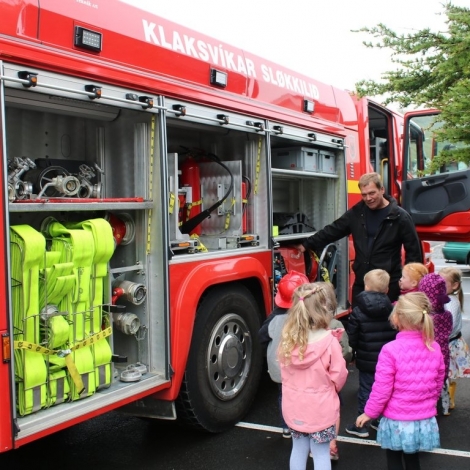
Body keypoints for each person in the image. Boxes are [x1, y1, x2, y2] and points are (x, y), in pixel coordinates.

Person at [296, 172, 422, 307]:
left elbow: (414, 252)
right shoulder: (357, 212)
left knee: (387, 325)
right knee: (358, 322)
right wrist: (307, 244)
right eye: (364, 194)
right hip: (362, 284)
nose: (368, 198)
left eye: (372, 193)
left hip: (387, 285)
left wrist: (410, 284)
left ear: (382, 190)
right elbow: (333, 230)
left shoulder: (399, 217)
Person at [356, 292, 445, 470]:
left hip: (397, 418)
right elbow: (438, 381)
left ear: (397, 318)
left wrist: (369, 413)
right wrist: (430, 402)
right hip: (423, 419)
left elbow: (382, 389)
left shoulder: (390, 350)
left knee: (394, 459)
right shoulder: (434, 346)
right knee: (413, 461)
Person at [279, 282, 348, 470]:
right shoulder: (329, 342)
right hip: (321, 409)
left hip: (294, 406)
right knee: (320, 453)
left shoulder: (288, 340)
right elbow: (339, 375)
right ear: (323, 308)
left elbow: (283, 371)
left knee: (298, 449)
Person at [345, 269, 396, 438]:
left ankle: (362, 424)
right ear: (387, 289)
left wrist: (351, 356)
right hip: (388, 359)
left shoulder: (358, 311)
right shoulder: (393, 309)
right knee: (385, 389)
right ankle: (379, 419)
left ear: (366, 286)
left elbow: (352, 337)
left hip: (367, 359)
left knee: (366, 390)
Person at [258, 270, 310, 438]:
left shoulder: (274, 318)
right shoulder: (309, 317)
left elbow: (262, 337)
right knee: (303, 394)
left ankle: (286, 426)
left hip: (280, 366)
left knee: (284, 395)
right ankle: (303, 422)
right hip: (302, 365)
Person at [418, 273, 453, 416]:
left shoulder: (425, 318)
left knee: (424, 398)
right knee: (436, 392)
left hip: (425, 364)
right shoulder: (446, 315)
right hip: (442, 359)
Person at [439, 267, 470, 410]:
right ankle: (445, 399)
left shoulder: (451, 303)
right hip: (448, 342)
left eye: (443, 283)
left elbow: (448, 327)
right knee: (447, 373)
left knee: (448, 373)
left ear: (455, 285)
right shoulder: (445, 299)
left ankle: (448, 400)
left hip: (450, 344)